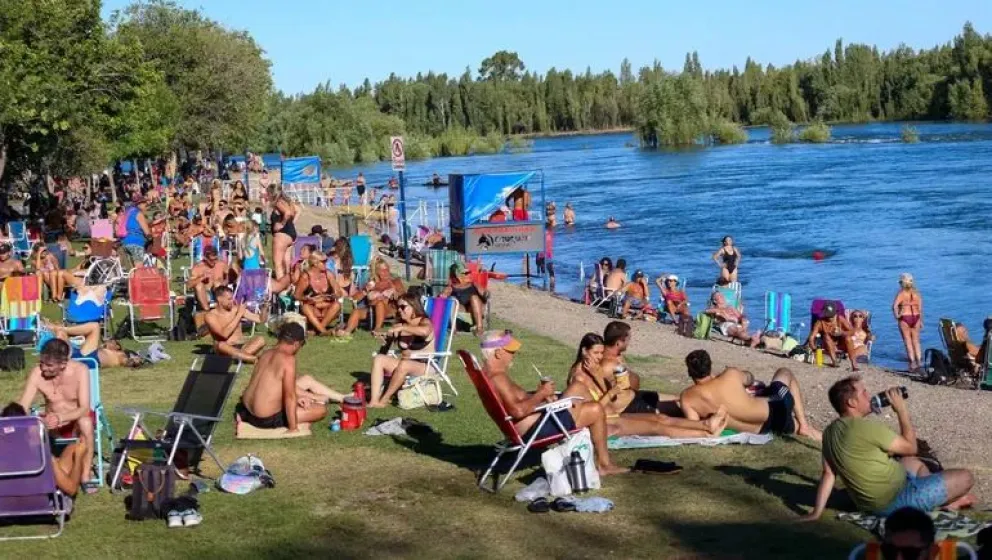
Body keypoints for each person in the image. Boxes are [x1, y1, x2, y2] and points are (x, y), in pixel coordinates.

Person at [800, 377, 975, 521]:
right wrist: (901, 410)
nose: (870, 396)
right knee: (965, 477)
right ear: (852, 402)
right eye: (864, 393)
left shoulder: (831, 431)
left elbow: (829, 474)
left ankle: (932, 496)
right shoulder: (864, 428)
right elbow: (911, 447)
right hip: (895, 501)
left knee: (911, 463)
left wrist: (816, 512)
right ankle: (939, 503)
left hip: (868, 504)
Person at [480, 330, 627, 477]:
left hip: (536, 422)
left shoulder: (488, 375)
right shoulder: (499, 378)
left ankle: (602, 456)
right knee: (584, 395)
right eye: (510, 351)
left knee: (592, 405)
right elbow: (517, 411)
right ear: (498, 353)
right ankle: (603, 461)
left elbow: (515, 404)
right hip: (537, 429)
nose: (514, 354)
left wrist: (541, 398)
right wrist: (541, 394)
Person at [567, 333, 727, 437]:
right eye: (596, 353)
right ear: (584, 351)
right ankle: (706, 434)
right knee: (657, 427)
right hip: (608, 423)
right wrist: (608, 390)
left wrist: (599, 377)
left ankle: (705, 424)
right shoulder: (578, 378)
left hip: (615, 416)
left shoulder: (592, 370)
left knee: (661, 418)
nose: (600, 357)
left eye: (602, 353)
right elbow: (590, 411)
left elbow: (606, 394)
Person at [681, 349, 822, 441]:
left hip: (762, 430)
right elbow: (750, 379)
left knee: (794, 426)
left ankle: (807, 430)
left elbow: (698, 426)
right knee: (784, 372)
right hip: (775, 409)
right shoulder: (730, 375)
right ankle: (804, 425)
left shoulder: (687, 398)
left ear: (690, 372)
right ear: (710, 365)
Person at [236, 323, 346, 431]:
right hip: (262, 418)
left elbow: (274, 386)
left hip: (246, 410)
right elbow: (289, 396)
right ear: (296, 344)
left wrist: (301, 398)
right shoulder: (288, 359)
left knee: (305, 381)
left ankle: (338, 397)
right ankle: (317, 402)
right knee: (321, 410)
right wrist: (293, 428)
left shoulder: (266, 353)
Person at [17, 339, 94, 490]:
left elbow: (84, 408)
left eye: (49, 365)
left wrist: (61, 418)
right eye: (42, 363)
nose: (44, 368)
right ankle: (31, 472)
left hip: (75, 422)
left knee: (86, 422)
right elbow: (23, 406)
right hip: (52, 425)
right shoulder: (37, 373)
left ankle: (86, 474)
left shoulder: (80, 370)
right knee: (31, 427)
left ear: (63, 364)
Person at [1, 402, 88, 496]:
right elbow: (71, 489)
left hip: (5, 506)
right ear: (26, 428)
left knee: (71, 449)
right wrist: (78, 457)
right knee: (75, 450)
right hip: (38, 504)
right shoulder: (41, 456)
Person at [367, 294, 436, 408]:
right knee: (379, 359)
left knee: (404, 364)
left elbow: (425, 331)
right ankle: (374, 400)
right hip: (404, 365)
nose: (399, 310)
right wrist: (385, 339)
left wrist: (402, 328)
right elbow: (384, 350)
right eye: (398, 307)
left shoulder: (424, 322)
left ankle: (384, 400)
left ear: (414, 306)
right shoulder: (400, 325)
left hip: (425, 367)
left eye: (403, 307)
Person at [335, 259, 401, 338]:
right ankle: (347, 331)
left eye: (387, 269)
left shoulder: (395, 281)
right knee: (357, 311)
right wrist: (365, 290)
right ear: (376, 272)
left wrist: (396, 293)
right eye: (382, 270)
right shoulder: (371, 284)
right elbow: (353, 299)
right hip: (371, 310)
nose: (386, 272)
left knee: (379, 303)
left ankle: (377, 329)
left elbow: (403, 295)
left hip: (388, 309)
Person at [43, 318, 146, 369]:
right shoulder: (106, 350)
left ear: (117, 347)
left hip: (89, 359)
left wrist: (134, 360)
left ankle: (55, 328)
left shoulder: (120, 355)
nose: (109, 341)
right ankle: (58, 329)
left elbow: (126, 362)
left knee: (95, 326)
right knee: (61, 334)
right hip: (82, 355)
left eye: (112, 341)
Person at [205, 286, 267, 363]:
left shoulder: (236, 309)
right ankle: (253, 359)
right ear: (219, 299)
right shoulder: (210, 316)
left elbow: (261, 320)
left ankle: (238, 358)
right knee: (221, 345)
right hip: (226, 348)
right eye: (229, 299)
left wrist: (264, 306)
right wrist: (239, 315)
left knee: (261, 340)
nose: (232, 301)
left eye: (232, 298)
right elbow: (224, 335)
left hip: (242, 346)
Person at [293, 249, 342, 336]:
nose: (326, 263)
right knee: (305, 307)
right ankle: (323, 331)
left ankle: (318, 330)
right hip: (313, 308)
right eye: (323, 261)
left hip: (327, 308)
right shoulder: (306, 277)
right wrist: (307, 298)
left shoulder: (328, 274)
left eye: (326, 260)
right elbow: (296, 295)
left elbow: (339, 292)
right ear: (315, 263)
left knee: (337, 305)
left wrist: (333, 295)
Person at [805, 302, 863, 371]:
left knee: (848, 338)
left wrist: (842, 333)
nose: (830, 318)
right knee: (826, 336)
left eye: (832, 316)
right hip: (829, 346)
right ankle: (834, 362)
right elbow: (812, 337)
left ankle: (854, 365)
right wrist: (814, 349)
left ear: (835, 313)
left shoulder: (840, 319)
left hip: (841, 344)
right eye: (828, 316)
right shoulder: (820, 322)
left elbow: (852, 331)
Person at [441, 261, 486, 336]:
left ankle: (479, 328)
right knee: (452, 299)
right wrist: (444, 295)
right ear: (457, 276)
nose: (467, 275)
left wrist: (485, 294)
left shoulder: (474, 284)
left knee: (474, 297)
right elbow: (442, 297)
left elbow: (486, 294)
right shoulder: (451, 287)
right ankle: (453, 329)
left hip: (473, 308)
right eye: (464, 274)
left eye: (467, 273)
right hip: (460, 308)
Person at [893, 273, 924, 372]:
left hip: (905, 317)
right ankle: (919, 361)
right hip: (916, 317)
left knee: (907, 341)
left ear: (902, 283)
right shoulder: (917, 293)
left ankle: (912, 362)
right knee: (916, 341)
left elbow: (894, 306)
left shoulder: (901, 293)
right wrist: (921, 321)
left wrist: (897, 316)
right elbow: (920, 309)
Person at [185, 245, 231, 311]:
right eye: (211, 260)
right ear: (205, 258)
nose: (214, 262)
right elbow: (189, 285)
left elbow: (229, 278)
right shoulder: (198, 268)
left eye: (216, 259)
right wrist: (201, 278)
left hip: (218, 292)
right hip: (205, 294)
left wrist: (225, 281)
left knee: (217, 283)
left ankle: (220, 308)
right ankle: (207, 310)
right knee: (199, 286)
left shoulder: (221, 264)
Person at [268, 185, 297, 279]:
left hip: (282, 235)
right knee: (287, 264)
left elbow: (288, 213)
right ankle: (289, 285)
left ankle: (281, 288)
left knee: (278, 263)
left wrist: (281, 224)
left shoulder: (278, 202)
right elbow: (295, 212)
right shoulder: (287, 202)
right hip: (290, 234)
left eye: (268, 193)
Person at [121, 197, 151, 266]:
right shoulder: (139, 214)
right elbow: (147, 232)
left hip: (125, 242)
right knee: (139, 267)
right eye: (145, 204)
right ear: (139, 204)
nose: (146, 206)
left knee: (132, 269)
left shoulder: (128, 213)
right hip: (136, 242)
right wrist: (150, 237)